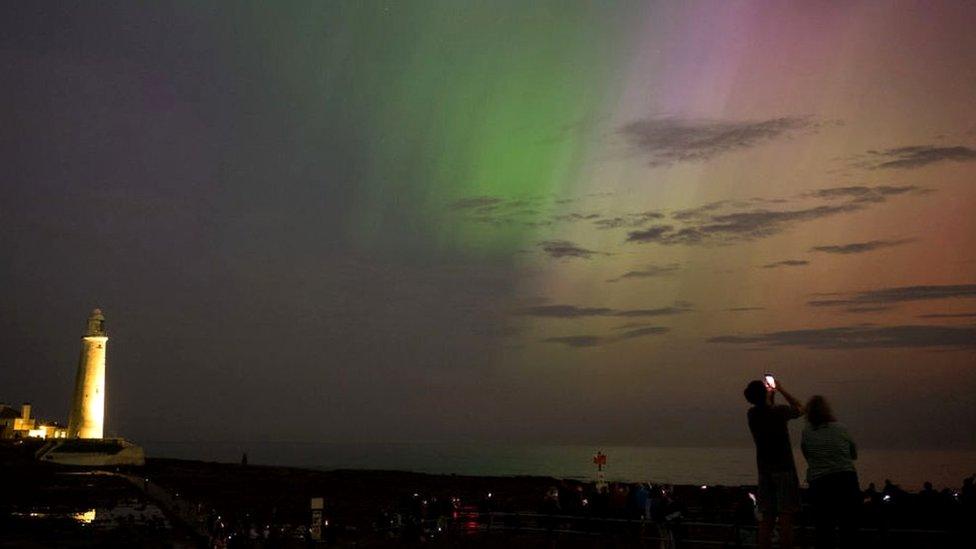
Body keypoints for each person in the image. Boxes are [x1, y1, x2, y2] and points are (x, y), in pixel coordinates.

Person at [744, 378, 804, 549]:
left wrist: (769, 394)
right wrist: (781, 390)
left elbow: (765, 408)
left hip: (764, 471)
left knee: (767, 518)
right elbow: (800, 408)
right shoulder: (779, 412)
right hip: (784, 469)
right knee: (786, 516)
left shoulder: (752, 414)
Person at [801, 395, 860, 549]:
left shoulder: (807, 433)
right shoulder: (841, 428)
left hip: (820, 483)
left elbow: (807, 455)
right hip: (846, 480)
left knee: (823, 528)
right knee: (848, 527)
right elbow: (853, 454)